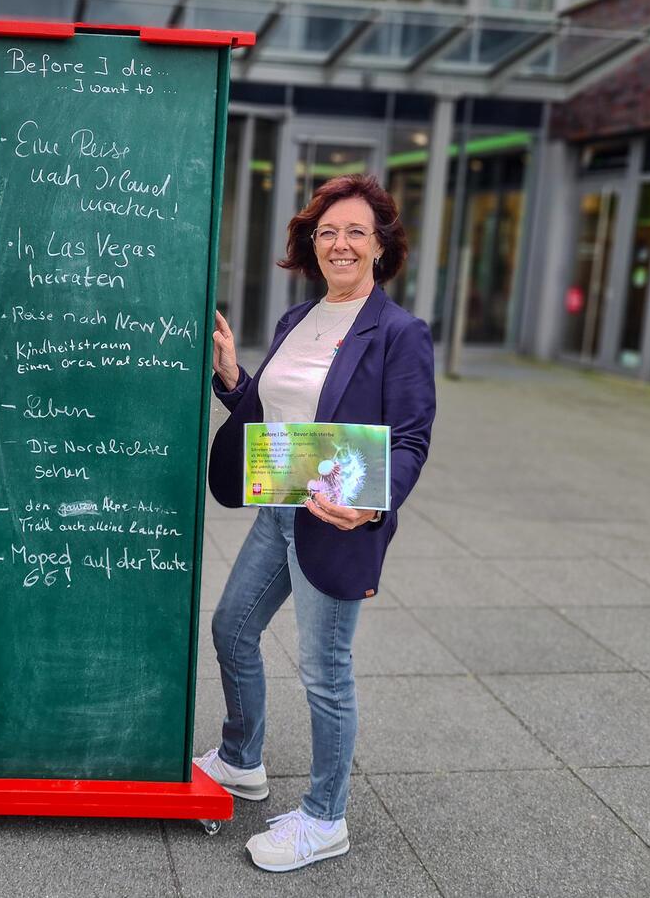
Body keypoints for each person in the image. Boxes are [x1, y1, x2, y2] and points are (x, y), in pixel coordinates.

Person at [197, 173, 435, 872]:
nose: (340, 243)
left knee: (326, 671)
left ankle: (326, 817)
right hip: (280, 506)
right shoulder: (297, 320)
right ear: (311, 243)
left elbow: (412, 439)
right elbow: (281, 415)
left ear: (381, 246)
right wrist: (235, 377)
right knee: (232, 626)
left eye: (356, 231)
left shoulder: (399, 333)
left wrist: (373, 502)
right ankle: (242, 758)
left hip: (335, 517)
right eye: (328, 231)